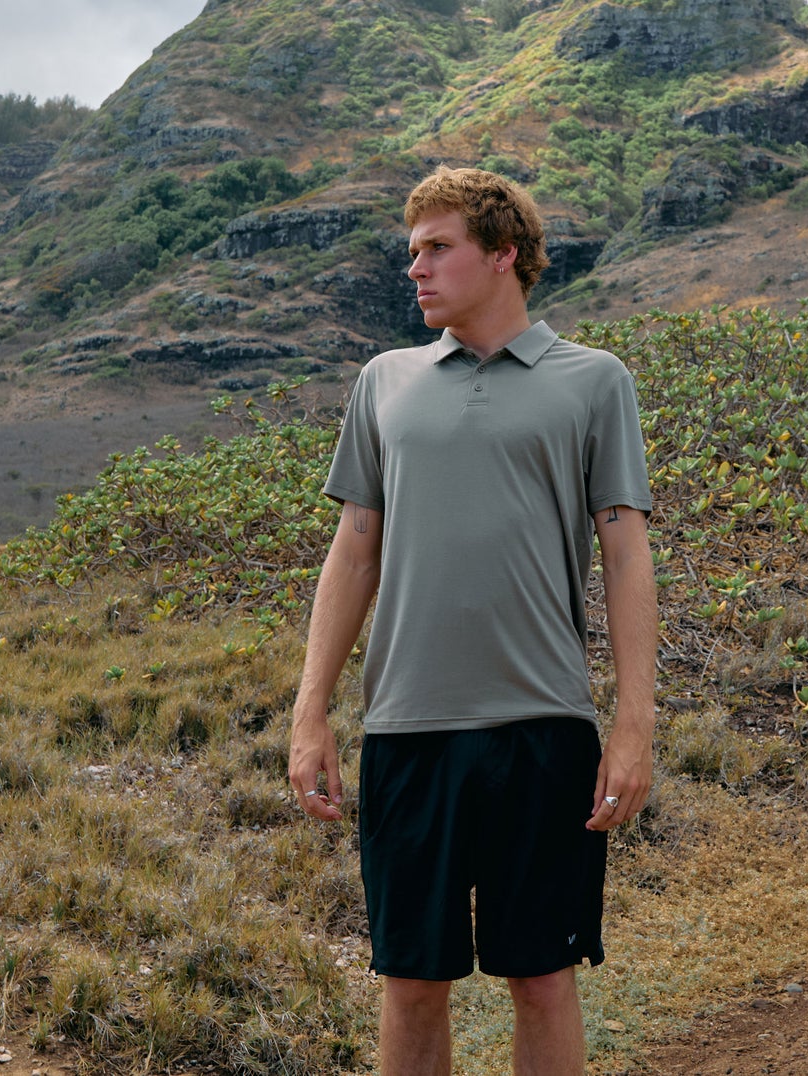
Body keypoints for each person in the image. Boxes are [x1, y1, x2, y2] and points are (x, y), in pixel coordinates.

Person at [288, 166, 658, 1076]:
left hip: (543, 729)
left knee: (541, 978)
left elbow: (626, 555)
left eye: (436, 249)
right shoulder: (385, 382)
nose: (414, 269)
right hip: (409, 730)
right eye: (412, 251)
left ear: (503, 255)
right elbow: (354, 549)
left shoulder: (594, 382)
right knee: (412, 981)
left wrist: (634, 724)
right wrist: (310, 713)